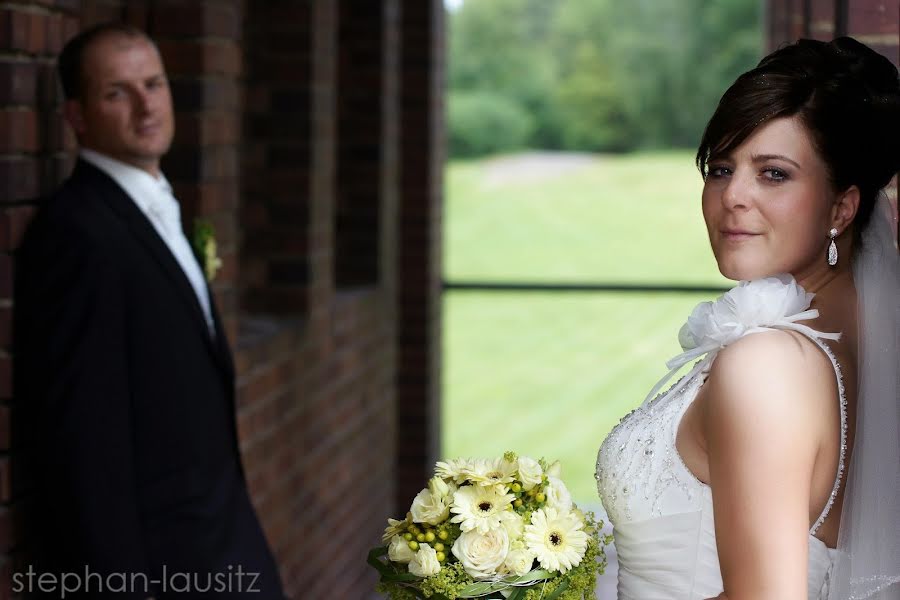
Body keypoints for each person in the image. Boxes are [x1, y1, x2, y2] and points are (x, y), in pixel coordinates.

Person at [595, 37, 899, 599]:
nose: (732, 195)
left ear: (842, 207)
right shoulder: (845, 347)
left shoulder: (767, 365)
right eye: (720, 168)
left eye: (774, 173)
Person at [13, 23, 285, 598]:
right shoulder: (75, 235)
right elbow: (82, 445)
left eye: (154, 85)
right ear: (78, 117)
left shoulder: (154, 208)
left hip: (221, 544)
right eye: (117, 93)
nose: (145, 106)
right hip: (162, 568)